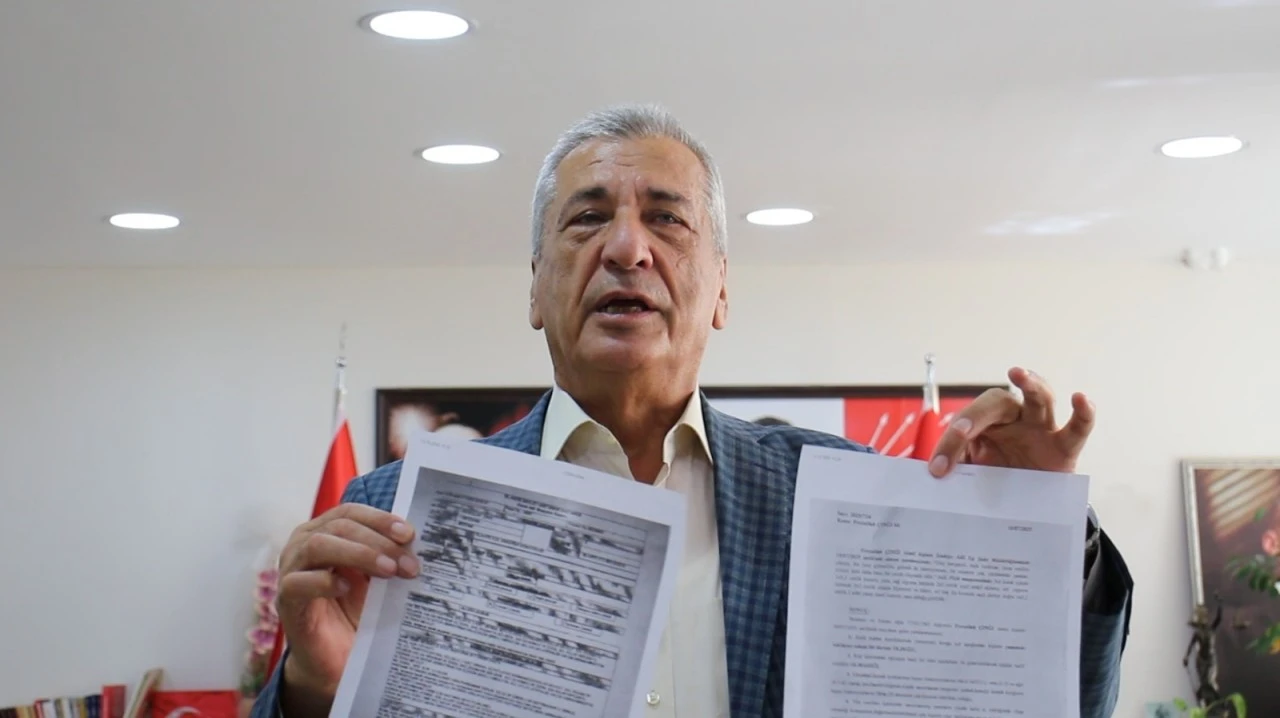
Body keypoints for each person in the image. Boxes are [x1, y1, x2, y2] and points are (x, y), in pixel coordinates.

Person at [252, 104, 1134, 718]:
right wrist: (314, 695)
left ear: (720, 291)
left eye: (667, 221)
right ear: (535, 288)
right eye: (586, 219)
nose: (625, 247)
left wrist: (1043, 534)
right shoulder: (396, 514)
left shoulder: (840, 500)